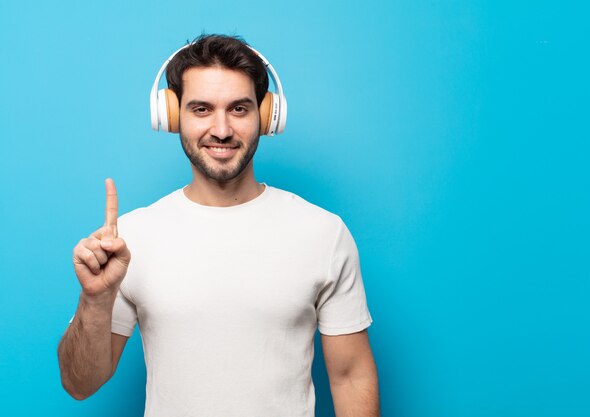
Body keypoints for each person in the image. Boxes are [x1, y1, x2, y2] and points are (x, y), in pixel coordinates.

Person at [57, 34, 380, 417]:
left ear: (267, 115)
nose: (222, 129)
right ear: (172, 116)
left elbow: (351, 376)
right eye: (202, 109)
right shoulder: (131, 239)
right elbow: (80, 384)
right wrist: (95, 300)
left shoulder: (323, 233)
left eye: (239, 109)